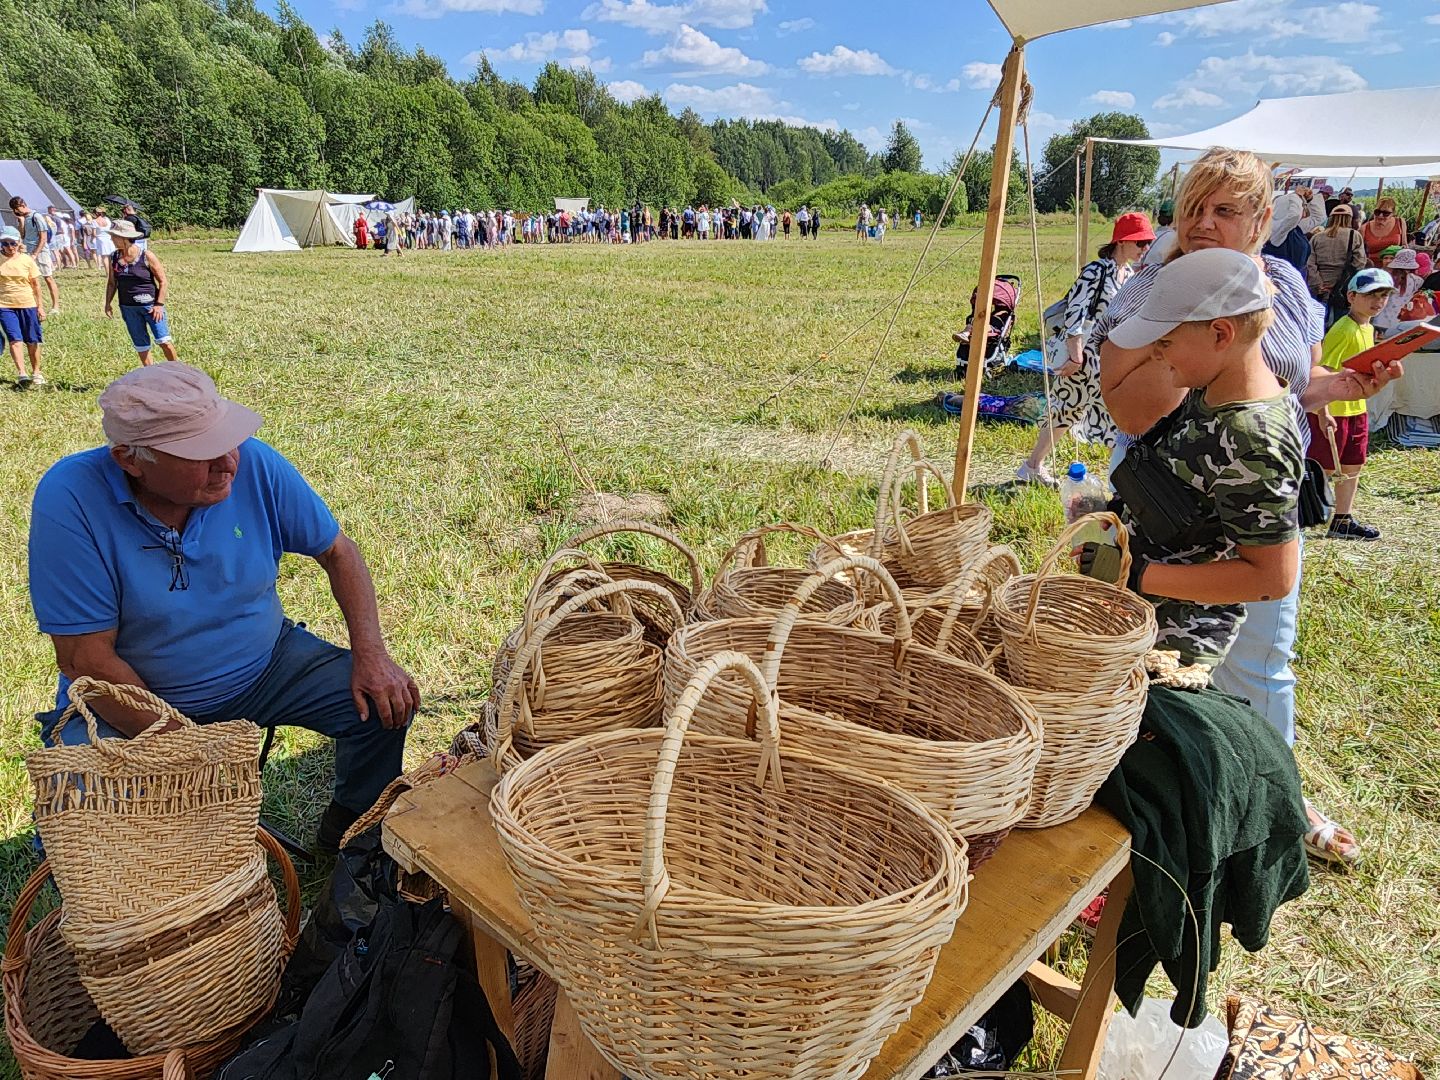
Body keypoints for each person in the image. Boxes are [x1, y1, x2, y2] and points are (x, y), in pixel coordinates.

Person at [1095, 147, 1402, 866]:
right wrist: (1195, 325)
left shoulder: (1285, 284)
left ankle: (1274, 802)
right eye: (1192, 207)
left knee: (1263, 655)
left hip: (1257, 490)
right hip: (1175, 500)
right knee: (1159, 656)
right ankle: (1169, 807)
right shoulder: (1154, 287)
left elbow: (1289, 379)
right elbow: (1134, 403)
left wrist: (1342, 385)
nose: (1202, 223)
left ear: (1264, 220)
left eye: (1224, 209)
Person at [28, 364, 417, 852]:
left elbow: (338, 552)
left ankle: (352, 833)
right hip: (130, 700)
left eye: (228, 440)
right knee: (78, 822)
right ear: (130, 460)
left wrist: (372, 654)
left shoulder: (253, 464)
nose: (229, 462)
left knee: (383, 704)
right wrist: (188, 749)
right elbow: (85, 659)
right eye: (200, 453)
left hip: (266, 665)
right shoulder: (71, 497)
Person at [1087, 248, 1302, 672]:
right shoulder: (1212, 389)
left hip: (1174, 644)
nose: (1158, 354)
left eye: (1165, 342)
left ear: (1221, 334)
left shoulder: (1255, 439)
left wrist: (1139, 574)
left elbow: (1270, 578)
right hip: (1139, 615)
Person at [1016, 213, 1155, 484]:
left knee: (1078, 413)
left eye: (1148, 243)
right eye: (1141, 243)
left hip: (1107, 357)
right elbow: (1075, 312)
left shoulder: (1127, 274)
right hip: (1086, 357)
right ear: (1123, 241)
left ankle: (1035, 466)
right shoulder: (1096, 270)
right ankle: (1035, 466)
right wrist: (1076, 354)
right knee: (1073, 412)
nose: (1145, 249)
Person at [1310, 268, 1392, 542]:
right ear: (1352, 296)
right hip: (1334, 411)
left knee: (1353, 465)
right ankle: (1307, 515)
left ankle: (1342, 519)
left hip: (1357, 409)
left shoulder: (1368, 327)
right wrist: (1323, 412)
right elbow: (1322, 372)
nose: (1378, 301)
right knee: (1324, 467)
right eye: (1371, 295)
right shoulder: (1343, 329)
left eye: (1383, 295)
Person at [104, 221, 177, 365]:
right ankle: (150, 376)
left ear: (124, 238)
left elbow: (163, 281)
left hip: (151, 307)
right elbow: (112, 283)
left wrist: (159, 305)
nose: (111, 239)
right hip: (128, 307)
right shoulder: (113, 258)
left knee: (164, 341)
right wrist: (107, 303)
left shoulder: (146, 256)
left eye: (114, 236)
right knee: (141, 346)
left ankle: (178, 370)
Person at [0, 225, 46, 386]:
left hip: (28, 304)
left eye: (12, 243)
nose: (9, 247)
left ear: (19, 243)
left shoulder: (27, 260)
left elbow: (36, 285)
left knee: (32, 340)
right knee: (15, 339)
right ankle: (22, 373)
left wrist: (40, 307)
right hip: (5, 306)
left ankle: (36, 371)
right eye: (4, 243)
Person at [1305, 204, 1365, 302]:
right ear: (1349, 218)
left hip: (1320, 288)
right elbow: (1360, 263)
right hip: (1343, 287)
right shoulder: (1354, 235)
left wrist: (1318, 283)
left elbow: (1310, 263)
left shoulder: (1317, 237)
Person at [9, 197, 58, 315]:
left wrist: (35, 254)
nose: (16, 212)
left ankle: (55, 306)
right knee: (30, 280)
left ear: (20, 206)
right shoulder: (23, 218)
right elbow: (22, 235)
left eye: (16, 209)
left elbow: (43, 237)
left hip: (40, 252)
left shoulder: (37, 217)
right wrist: (21, 222)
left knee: (48, 277)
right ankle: (34, 305)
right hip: (27, 251)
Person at [1361, 196, 1406, 264]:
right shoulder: (1364, 228)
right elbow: (1359, 254)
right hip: (1373, 269)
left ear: (1392, 214)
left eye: (1385, 213)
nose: (1380, 215)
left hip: (1394, 267)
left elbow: (1404, 245)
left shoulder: (1400, 223)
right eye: (1377, 212)